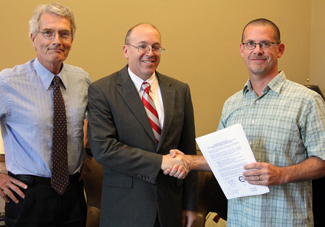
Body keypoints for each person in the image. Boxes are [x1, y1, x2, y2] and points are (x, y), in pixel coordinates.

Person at [167, 18, 325, 227]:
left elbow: (322, 161)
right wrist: (188, 160)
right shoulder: (232, 104)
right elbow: (222, 159)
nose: (257, 50)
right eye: (250, 43)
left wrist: (282, 174)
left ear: (280, 49)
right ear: (242, 50)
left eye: (265, 43)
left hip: (287, 221)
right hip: (239, 221)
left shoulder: (307, 101)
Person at [87, 23, 198, 227]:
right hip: (124, 209)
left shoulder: (180, 90)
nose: (150, 53)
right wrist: (160, 162)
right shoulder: (102, 90)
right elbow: (104, 149)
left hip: (170, 208)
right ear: (126, 50)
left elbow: (188, 149)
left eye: (156, 47)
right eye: (142, 46)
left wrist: (190, 205)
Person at [0, 2, 92, 226]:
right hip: (27, 195)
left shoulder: (82, 80)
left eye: (64, 34)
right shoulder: (7, 83)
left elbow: (95, 122)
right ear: (33, 38)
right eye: (47, 33)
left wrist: (88, 155)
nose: (56, 41)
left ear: (71, 40)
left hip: (73, 193)